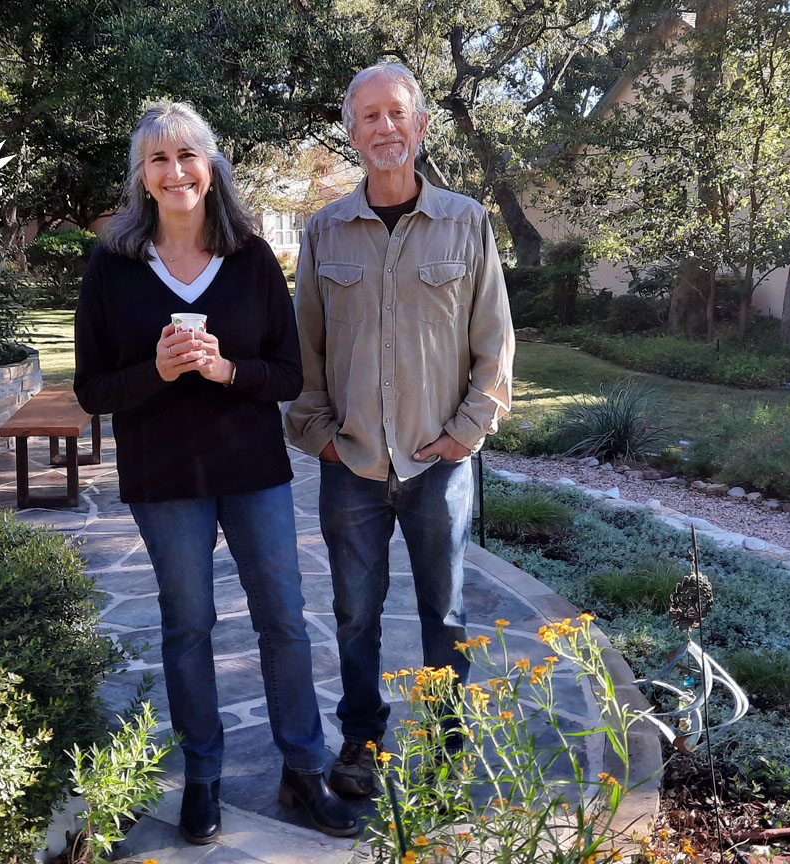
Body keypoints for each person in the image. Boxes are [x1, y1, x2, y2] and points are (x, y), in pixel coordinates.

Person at [74, 101, 356, 844]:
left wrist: (229, 370)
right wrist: (155, 373)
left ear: (211, 166)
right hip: (163, 475)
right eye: (158, 160)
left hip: (252, 469)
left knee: (284, 622)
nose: (175, 172)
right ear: (142, 176)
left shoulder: (252, 258)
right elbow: (93, 390)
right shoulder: (113, 265)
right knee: (188, 626)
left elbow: (290, 374)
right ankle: (204, 776)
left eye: (187, 155)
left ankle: (303, 769)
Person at [283, 63, 516, 798]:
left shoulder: (466, 221)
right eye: (369, 117)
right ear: (352, 133)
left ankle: (448, 743)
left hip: (437, 465)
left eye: (397, 114)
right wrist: (319, 434)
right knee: (354, 612)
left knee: (444, 610)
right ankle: (361, 740)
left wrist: (465, 434)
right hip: (350, 463)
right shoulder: (325, 231)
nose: (385, 128)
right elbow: (305, 349)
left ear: (419, 127)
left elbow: (495, 344)